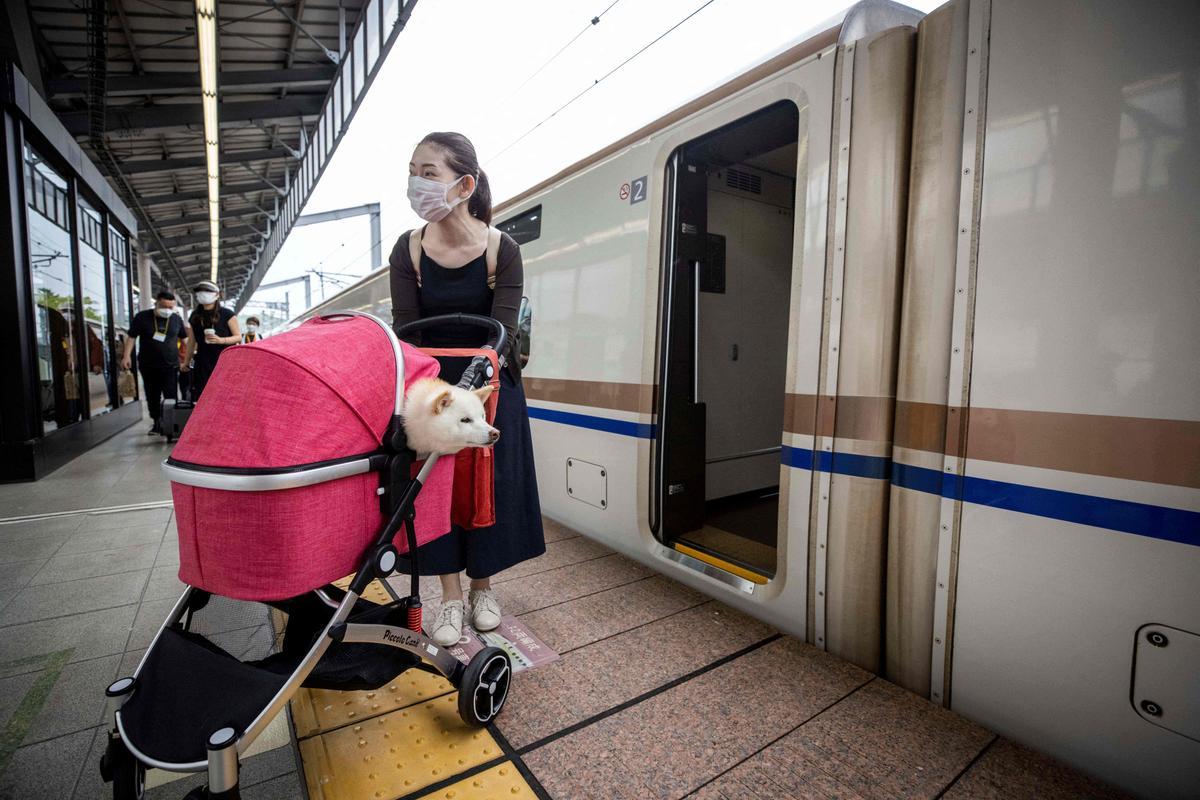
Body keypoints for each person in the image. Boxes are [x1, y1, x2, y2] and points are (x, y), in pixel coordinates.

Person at [390, 131, 545, 647]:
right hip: (433, 394)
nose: (416, 183)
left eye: (428, 172)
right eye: (412, 171)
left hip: (492, 392)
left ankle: (483, 589)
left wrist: (470, 397)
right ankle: (450, 598)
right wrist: (439, 403)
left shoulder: (503, 249)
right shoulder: (408, 250)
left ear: (464, 183)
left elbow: (500, 334)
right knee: (434, 494)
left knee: (486, 491)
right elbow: (407, 330)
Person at [122, 290, 187, 434]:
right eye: (164, 306)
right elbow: (131, 337)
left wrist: (189, 357)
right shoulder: (142, 317)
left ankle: (171, 423)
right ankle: (157, 422)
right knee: (152, 395)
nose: (167, 310)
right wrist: (126, 356)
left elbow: (185, 339)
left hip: (170, 364)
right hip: (148, 364)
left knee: (171, 394)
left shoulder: (176, 319)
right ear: (156, 303)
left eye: (170, 307)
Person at [183, 280, 239, 400]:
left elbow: (238, 337)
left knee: (223, 393)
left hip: (224, 360)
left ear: (217, 295)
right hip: (202, 361)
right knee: (203, 393)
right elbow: (192, 341)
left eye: (208, 292)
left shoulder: (227, 314)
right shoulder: (195, 315)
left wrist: (221, 340)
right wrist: (186, 361)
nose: (203, 295)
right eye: (200, 292)